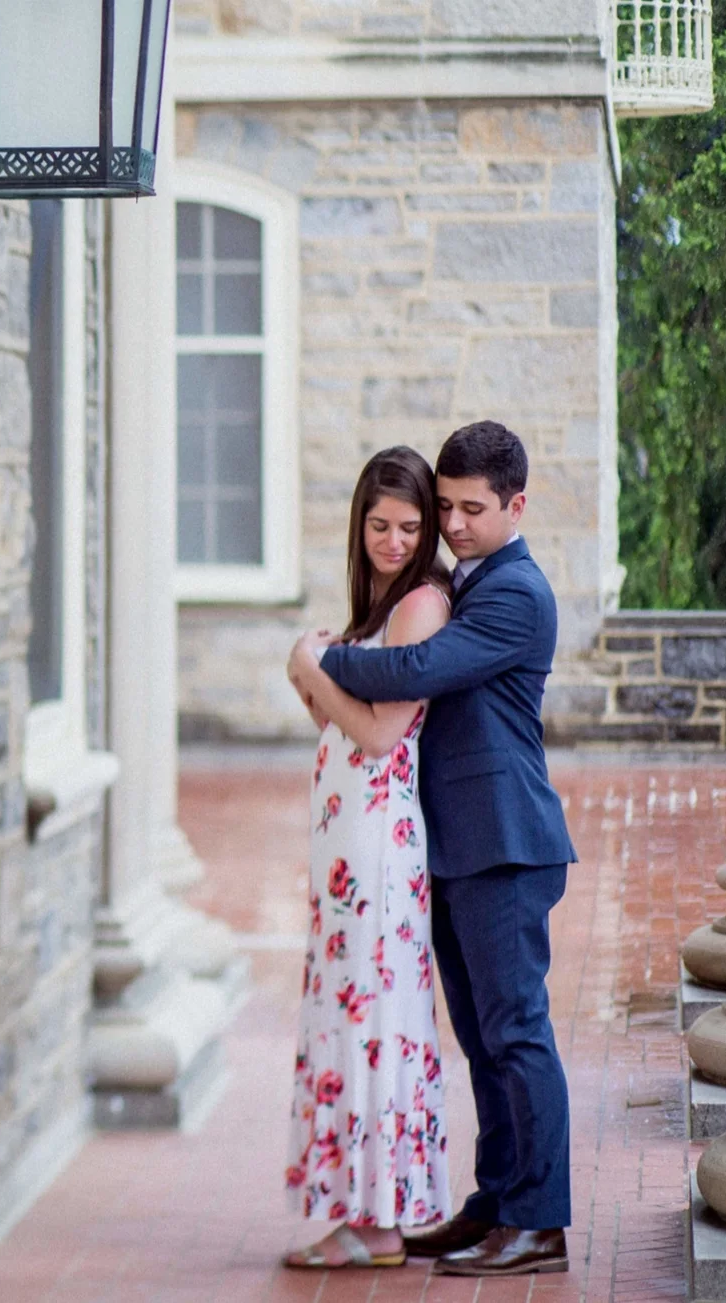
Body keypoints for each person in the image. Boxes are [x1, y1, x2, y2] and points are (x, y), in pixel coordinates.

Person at [294, 420, 578, 1278]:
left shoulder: (515, 593)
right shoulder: (469, 578)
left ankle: (541, 1220)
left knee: (518, 1030)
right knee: (484, 1039)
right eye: (444, 507)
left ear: (516, 505)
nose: (452, 524)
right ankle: (496, 1203)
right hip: (456, 847)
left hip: (505, 841)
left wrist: (320, 657)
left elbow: (413, 669)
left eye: (470, 509)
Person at [275, 447, 452, 1271]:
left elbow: (381, 734)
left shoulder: (420, 605)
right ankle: (361, 1208)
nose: (392, 539)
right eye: (378, 524)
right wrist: (305, 679)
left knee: (372, 1018)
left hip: (379, 845)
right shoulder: (378, 600)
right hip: (348, 841)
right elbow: (337, 726)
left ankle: (379, 1220)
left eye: (409, 527)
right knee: (350, 1011)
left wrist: (315, 667)